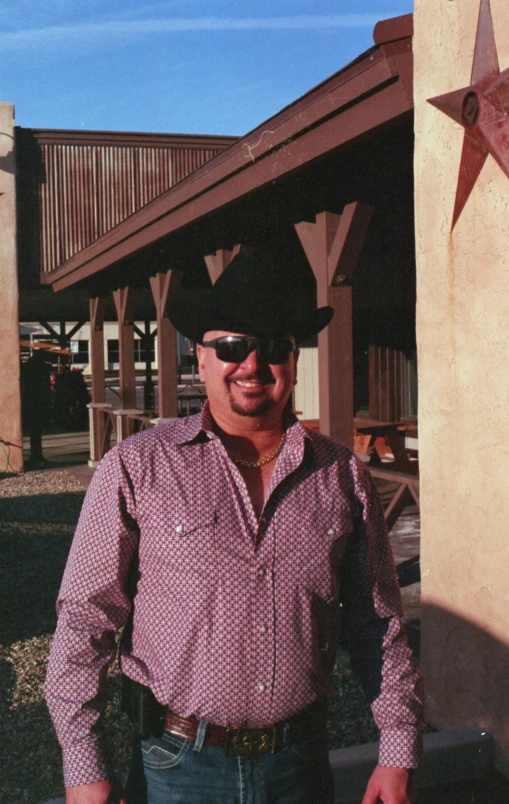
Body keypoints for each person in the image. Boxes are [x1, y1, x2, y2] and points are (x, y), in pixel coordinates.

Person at [45, 253, 423, 804]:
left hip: (301, 765)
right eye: (230, 347)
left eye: (272, 348)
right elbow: (85, 617)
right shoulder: (137, 466)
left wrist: (398, 747)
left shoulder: (342, 473)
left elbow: (378, 623)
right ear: (201, 360)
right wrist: (83, 768)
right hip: (177, 767)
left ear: (293, 362)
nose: (252, 363)